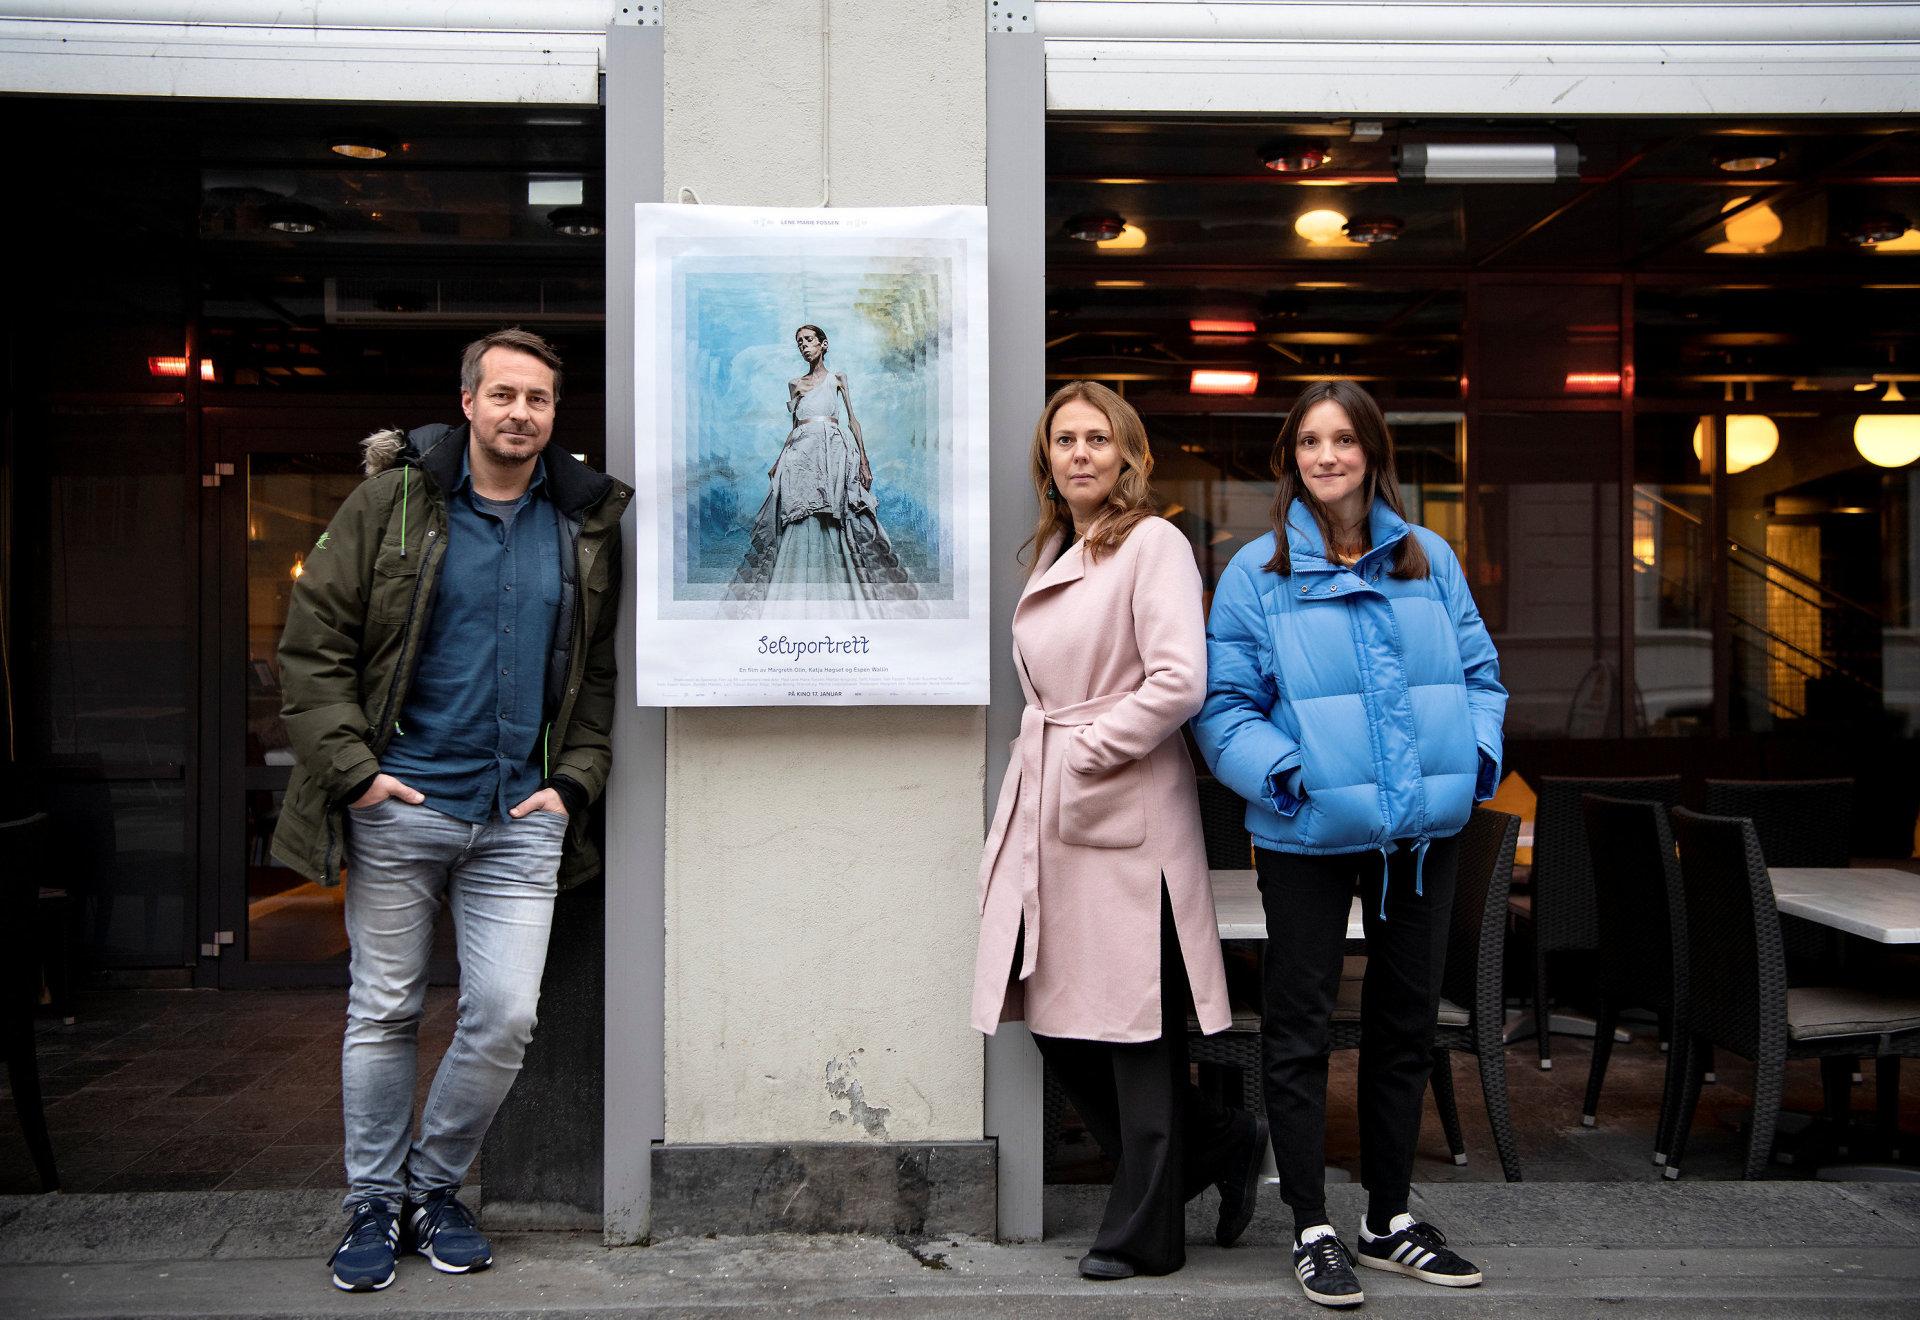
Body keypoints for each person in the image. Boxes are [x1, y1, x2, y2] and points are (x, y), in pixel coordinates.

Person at [272, 327, 631, 1292]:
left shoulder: (580, 525)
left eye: (540, 400)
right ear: (468, 402)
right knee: (385, 1008)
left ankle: (433, 1188)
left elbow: (596, 676)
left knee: (507, 1014)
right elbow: (313, 650)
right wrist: (357, 775)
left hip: (520, 816)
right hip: (403, 803)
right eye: (505, 395)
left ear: (557, 417)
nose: (522, 413)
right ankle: (372, 1203)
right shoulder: (391, 505)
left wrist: (575, 783)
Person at [1194, 379, 1506, 1308]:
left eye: (1344, 441)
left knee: (1404, 1028)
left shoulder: (1430, 558)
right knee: (1296, 1030)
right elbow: (1222, 705)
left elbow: (1481, 673)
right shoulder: (1259, 573)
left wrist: (1473, 758)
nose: (1326, 457)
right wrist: (1286, 774)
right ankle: (1312, 1224)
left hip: (1419, 834)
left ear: (1373, 451)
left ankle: (1388, 1219)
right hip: (1306, 834)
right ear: (1291, 457)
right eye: (1309, 443)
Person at [972, 380, 1266, 1281]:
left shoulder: (1153, 543)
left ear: (1129, 453)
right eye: (1065, 440)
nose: (1081, 454)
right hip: (1053, 802)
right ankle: (1216, 1145)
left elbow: (1179, 680)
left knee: (1136, 1022)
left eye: (1099, 439)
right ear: (1047, 458)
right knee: (1056, 1014)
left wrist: (1093, 749)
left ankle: (1146, 1232)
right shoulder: (1055, 545)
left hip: (1120, 804)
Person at [727, 323, 917, 612]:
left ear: (823, 344)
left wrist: (864, 461)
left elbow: (853, 421)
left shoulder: (837, 379)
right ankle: (799, 584)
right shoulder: (795, 384)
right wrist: (779, 461)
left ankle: (840, 584)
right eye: (799, 342)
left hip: (832, 451)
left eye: (809, 340)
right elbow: (794, 427)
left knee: (837, 513)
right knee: (799, 513)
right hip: (800, 455)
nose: (804, 345)